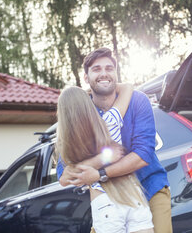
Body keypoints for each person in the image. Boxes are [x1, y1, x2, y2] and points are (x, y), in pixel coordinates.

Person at [58, 47, 172, 233]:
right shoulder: (81, 111)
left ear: (116, 73)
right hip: (109, 196)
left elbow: (143, 155)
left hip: (148, 186)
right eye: (96, 69)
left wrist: (98, 173)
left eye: (109, 68)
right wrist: (100, 161)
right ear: (86, 78)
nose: (104, 73)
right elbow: (66, 173)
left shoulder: (137, 101)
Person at [56, 86, 154, 233]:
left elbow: (65, 179)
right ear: (88, 105)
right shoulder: (109, 121)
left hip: (103, 203)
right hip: (132, 195)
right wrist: (93, 89)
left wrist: (92, 164)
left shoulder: (66, 147)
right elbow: (127, 88)